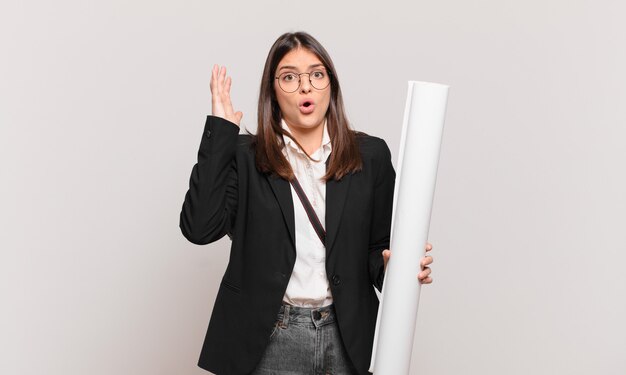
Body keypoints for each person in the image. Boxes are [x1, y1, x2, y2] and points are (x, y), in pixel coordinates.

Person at [180, 31, 434, 375]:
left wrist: (397, 269)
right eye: (289, 77)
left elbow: (378, 248)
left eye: (316, 74)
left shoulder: (370, 155)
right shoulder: (244, 157)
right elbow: (199, 228)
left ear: (331, 84)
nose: (305, 86)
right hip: (271, 338)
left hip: (348, 335)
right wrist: (221, 132)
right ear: (272, 91)